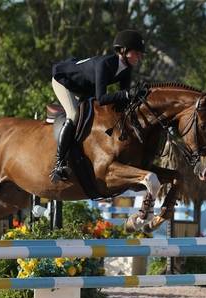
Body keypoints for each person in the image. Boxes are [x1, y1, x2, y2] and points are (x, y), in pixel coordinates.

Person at [49, 29, 145, 183]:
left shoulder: (126, 70)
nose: (140, 57)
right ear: (124, 50)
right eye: (137, 53)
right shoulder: (105, 64)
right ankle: (59, 163)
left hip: (85, 88)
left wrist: (137, 98)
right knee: (74, 115)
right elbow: (102, 99)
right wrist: (128, 94)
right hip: (65, 81)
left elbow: (123, 98)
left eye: (140, 54)